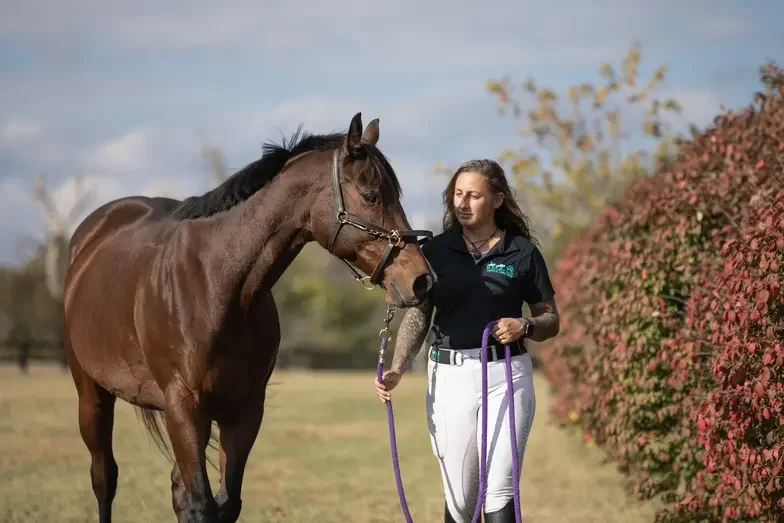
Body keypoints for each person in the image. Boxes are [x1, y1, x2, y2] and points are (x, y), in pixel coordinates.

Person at [374, 159, 560, 523]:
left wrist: (526, 325)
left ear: (497, 200)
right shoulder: (436, 252)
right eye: (457, 194)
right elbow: (418, 314)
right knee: (461, 501)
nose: (462, 202)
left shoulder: (522, 253)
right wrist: (397, 366)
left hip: (507, 376)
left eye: (473, 195)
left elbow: (551, 319)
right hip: (449, 378)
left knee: (500, 489)